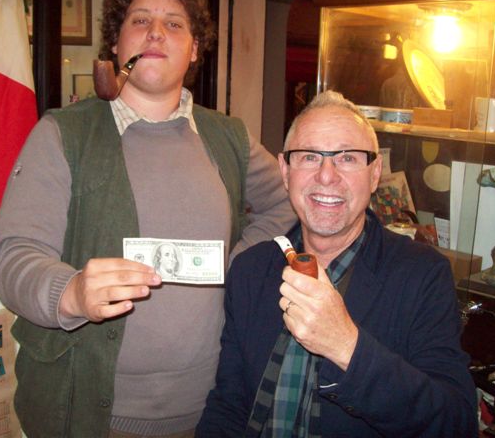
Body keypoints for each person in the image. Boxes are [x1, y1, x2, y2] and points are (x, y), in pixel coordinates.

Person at [0, 0, 296, 438]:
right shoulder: (63, 135)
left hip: (211, 410)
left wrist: (240, 260)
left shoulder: (229, 137)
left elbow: (288, 202)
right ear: (115, 44)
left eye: (174, 23)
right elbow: (14, 256)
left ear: (194, 49)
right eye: (140, 20)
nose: (156, 32)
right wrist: (69, 293)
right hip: (86, 414)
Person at [197, 90, 478, 437]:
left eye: (347, 158)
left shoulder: (423, 275)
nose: (327, 176)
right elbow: (228, 404)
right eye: (309, 157)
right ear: (285, 171)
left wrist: (346, 346)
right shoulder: (250, 270)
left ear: (375, 173)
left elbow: (455, 423)